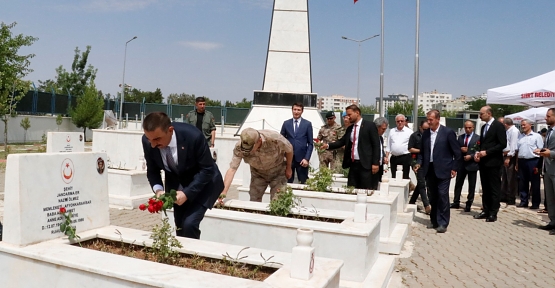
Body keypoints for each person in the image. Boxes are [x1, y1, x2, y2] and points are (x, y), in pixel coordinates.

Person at [142, 112, 224, 239]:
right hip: (178, 186)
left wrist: (187, 193)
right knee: (180, 227)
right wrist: (158, 190)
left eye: (157, 139)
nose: (152, 145)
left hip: (205, 183)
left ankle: (193, 256)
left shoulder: (193, 136)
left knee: (189, 224)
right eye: (149, 139)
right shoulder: (148, 142)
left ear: (170, 130)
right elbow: (152, 170)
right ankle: (182, 256)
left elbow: (207, 170)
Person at [414, 110, 461, 233]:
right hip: (429, 170)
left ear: (438, 119)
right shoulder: (425, 134)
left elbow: (457, 153)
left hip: (444, 169)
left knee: (442, 195)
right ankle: (434, 220)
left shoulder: (448, 133)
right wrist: (419, 163)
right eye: (427, 119)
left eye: (431, 119)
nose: (428, 122)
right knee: (433, 196)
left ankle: (443, 223)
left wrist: (454, 168)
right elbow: (422, 153)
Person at [221, 128, 293, 202]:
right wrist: (223, 192)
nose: (247, 151)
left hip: (278, 172)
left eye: (250, 148)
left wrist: (289, 167)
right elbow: (232, 169)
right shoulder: (240, 147)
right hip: (258, 174)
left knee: (278, 202)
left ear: (259, 141)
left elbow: (289, 149)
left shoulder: (274, 138)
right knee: (254, 200)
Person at [323, 105, 380, 189]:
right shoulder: (350, 128)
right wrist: (328, 145)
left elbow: (376, 145)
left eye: (349, 115)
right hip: (353, 164)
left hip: (365, 164)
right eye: (347, 115)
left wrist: (375, 163)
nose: (348, 117)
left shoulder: (370, 126)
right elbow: (342, 141)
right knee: (351, 188)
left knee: (365, 190)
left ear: (357, 113)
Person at [474, 106, 507, 223]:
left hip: (494, 162)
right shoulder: (483, 127)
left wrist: (487, 152)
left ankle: (493, 212)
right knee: (485, 188)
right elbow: (483, 144)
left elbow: (502, 144)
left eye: (481, 114)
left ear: (489, 113)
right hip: (484, 163)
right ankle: (486, 209)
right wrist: (478, 153)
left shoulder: (498, 126)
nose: (480, 116)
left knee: (494, 188)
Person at [280, 102, 313, 184]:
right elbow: (281, 141)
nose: (296, 112)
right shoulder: (286, 123)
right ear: (292, 110)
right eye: (294, 109)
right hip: (288, 159)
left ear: (302, 111)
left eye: (298, 110)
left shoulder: (307, 124)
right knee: (287, 182)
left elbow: (310, 143)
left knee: (303, 182)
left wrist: (306, 158)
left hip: (302, 160)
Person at [451, 120, 480, 212]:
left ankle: (469, 203)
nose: (467, 129)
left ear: (473, 127)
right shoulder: (460, 137)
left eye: (469, 127)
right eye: (466, 128)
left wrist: (471, 156)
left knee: (472, 185)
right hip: (461, 164)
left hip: (472, 164)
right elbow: (455, 150)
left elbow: (479, 150)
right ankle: (456, 202)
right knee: (458, 183)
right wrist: (460, 149)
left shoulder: (477, 138)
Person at [535, 108, 555, 234]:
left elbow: (552, 151)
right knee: (550, 198)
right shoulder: (549, 131)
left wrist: (550, 153)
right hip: (547, 169)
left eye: (548, 116)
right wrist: (542, 151)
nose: (545, 118)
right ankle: (552, 221)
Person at [516, 119, 543, 209]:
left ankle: (535, 203)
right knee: (523, 182)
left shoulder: (537, 136)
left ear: (530, 125)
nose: (523, 127)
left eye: (524, 125)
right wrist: (517, 163)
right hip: (522, 161)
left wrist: (539, 165)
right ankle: (524, 201)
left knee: (535, 183)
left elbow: (541, 149)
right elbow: (517, 150)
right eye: (522, 125)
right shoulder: (520, 137)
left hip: (533, 161)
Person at [408, 120, 431, 214]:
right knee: (421, 183)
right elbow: (410, 148)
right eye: (424, 129)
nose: (426, 131)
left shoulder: (430, 136)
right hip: (416, 161)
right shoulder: (414, 136)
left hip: (427, 162)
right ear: (420, 127)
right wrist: (422, 151)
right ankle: (426, 205)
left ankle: (412, 201)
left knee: (421, 182)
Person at [385, 115, 413, 182]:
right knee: (394, 177)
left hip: (405, 157)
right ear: (395, 122)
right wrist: (386, 157)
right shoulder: (392, 131)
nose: (400, 122)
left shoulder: (409, 132)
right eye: (398, 121)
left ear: (404, 122)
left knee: (405, 177)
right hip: (394, 158)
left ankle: (406, 191)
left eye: (402, 121)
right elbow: (388, 145)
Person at [500, 118, 519, 206]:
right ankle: (504, 195)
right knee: (505, 177)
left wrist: (508, 157)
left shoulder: (514, 131)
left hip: (510, 157)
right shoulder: (508, 131)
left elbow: (513, 145)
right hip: (504, 155)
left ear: (505, 124)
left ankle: (511, 197)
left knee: (511, 178)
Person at [372, 117, 389, 190]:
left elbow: (380, 150)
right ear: (377, 127)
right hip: (373, 166)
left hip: (380, 166)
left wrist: (384, 157)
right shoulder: (371, 137)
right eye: (383, 129)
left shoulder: (381, 138)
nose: (384, 131)